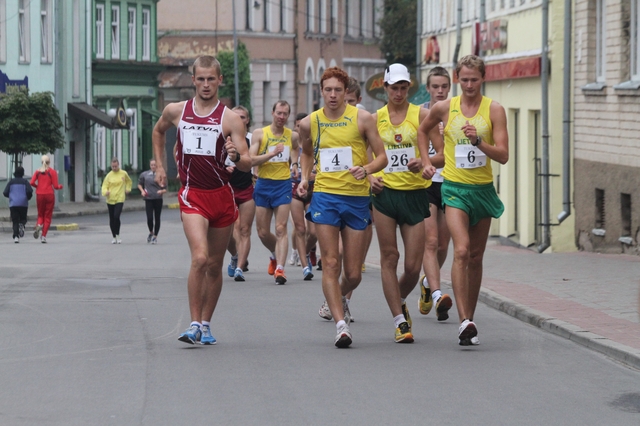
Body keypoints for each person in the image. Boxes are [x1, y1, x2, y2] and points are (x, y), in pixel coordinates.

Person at [152, 55, 250, 345]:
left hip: (221, 196)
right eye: (201, 79)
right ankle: (193, 324)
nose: (206, 85)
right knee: (200, 257)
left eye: (211, 79)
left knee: (215, 264)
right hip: (192, 194)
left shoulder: (230, 118)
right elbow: (158, 132)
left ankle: (206, 324)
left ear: (219, 80)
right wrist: (159, 166)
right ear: (192, 80)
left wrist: (235, 155)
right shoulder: (176, 111)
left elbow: (245, 164)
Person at [418, 55, 509, 346]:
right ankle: (463, 321)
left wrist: (478, 142)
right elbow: (422, 130)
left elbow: (504, 155)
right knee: (462, 250)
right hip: (454, 189)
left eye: (475, 79)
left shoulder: (494, 110)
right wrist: (425, 162)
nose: (469, 85)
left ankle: (470, 317)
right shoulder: (446, 108)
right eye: (465, 79)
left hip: (482, 190)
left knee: (476, 257)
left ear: (483, 78)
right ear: (458, 78)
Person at [297, 66, 388, 348]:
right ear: (321, 92)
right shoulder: (309, 123)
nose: (333, 95)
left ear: (346, 92)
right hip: (325, 196)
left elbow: (382, 157)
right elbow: (307, 152)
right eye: (328, 90)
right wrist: (304, 178)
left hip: (356, 198)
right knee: (331, 262)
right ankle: (340, 326)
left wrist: (367, 168)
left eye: (338, 90)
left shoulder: (363, 119)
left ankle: (333, 297)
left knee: (353, 273)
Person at [370, 63, 438, 343]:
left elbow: (442, 154)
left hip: (414, 194)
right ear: (384, 88)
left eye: (403, 87)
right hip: (384, 194)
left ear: (409, 88)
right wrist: (370, 176)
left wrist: (425, 162)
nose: (399, 92)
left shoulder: (422, 115)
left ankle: (397, 300)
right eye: (393, 87)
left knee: (412, 266)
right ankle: (399, 321)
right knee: (390, 257)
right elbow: (363, 155)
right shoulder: (374, 119)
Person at [250, 100, 299, 285]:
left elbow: (295, 149)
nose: (281, 117)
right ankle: (274, 255)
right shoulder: (260, 134)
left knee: (280, 228)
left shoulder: (291, 135)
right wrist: (271, 154)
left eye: (285, 114)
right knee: (262, 232)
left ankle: (280, 268)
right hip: (263, 184)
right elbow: (251, 159)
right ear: (272, 113)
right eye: (279, 113)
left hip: (283, 184)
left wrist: (294, 164)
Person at [418, 66, 454, 322]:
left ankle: (428, 283)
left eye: (444, 86)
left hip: (451, 182)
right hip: (427, 182)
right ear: (428, 88)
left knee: (443, 245)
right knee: (430, 242)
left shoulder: (458, 112)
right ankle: (438, 293)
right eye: (435, 86)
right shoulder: (420, 114)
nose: (440, 91)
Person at [226, 105, 256, 282]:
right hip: (227, 188)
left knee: (244, 229)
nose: (239, 120)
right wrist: (224, 167)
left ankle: (239, 268)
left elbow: (254, 159)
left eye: (242, 117)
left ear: (248, 120)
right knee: (230, 229)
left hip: (246, 189)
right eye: (235, 116)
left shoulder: (252, 139)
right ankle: (235, 254)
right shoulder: (224, 138)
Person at [289, 112, 317, 281]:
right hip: (294, 190)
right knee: (300, 229)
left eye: (303, 125)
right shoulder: (292, 145)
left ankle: (306, 251)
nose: (301, 129)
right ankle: (305, 266)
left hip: (312, 189)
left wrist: (315, 173)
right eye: (298, 125)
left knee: (313, 233)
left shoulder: (315, 144)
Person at [30, 155, 63, 243]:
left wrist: (38, 187)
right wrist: (60, 186)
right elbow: (55, 186)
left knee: (40, 214)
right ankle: (43, 236)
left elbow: (32, 182)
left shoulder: (37, 172)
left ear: (41, 162)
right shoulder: (52, 172)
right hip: (49, 195)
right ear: (49, 162)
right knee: (47, 216)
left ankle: (39, 225)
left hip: (39, 194)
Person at [101, 158, 132, 244]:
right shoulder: (109, 175)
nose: (114, 168)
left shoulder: (123, 173)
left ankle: (118, 234)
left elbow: (129, 182)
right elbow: (104, 186)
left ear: (118, 165)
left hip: (120, 198)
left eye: (116, 166)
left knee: (116, 216)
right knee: (111, 218)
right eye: (113, 166)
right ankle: (114, 236)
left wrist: (128, 189)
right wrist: (105, 192)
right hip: (110, 199)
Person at [138, 159, 167, 244]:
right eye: (152, 165)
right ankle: (151, 232)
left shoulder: (161, 175)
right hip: (149, 199)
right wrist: (142, 191)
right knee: (149, 218)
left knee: (157, 217)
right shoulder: (145, 174)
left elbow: (165, 188)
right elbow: (139, 184)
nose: (153, 166)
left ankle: (155, 236)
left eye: (155, 165)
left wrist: (161, 191)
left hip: (158, 199)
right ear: (150, 166)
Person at [3, 166, 33, 243]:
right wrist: (27, 197)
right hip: (23, 203)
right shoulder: (25, 181)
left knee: (15, 220)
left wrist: (11, 196)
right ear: (23, 173)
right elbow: (30, 191)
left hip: (13, 204)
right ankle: (22, 224)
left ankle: (16, 236)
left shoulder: (11, 182)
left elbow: (5, 192)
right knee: (23, 218)